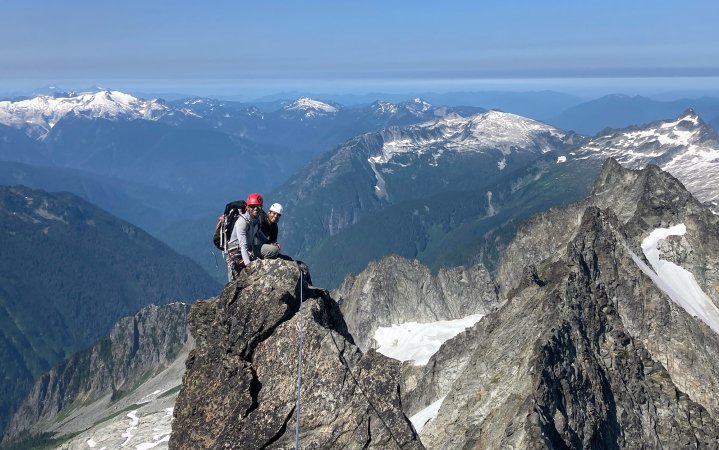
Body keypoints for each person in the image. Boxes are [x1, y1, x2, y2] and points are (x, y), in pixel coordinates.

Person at [226, 193, 279, 279]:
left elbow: (258, 233)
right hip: (236, 254)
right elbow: (243, 246)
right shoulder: (241, 222)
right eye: (253, 206)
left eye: (258, 206)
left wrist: (269, 243)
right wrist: (249, 266)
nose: (256, 209)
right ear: (247, 207)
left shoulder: (256, 220)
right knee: (236, 283)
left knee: (274, 250)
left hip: (250, 249)